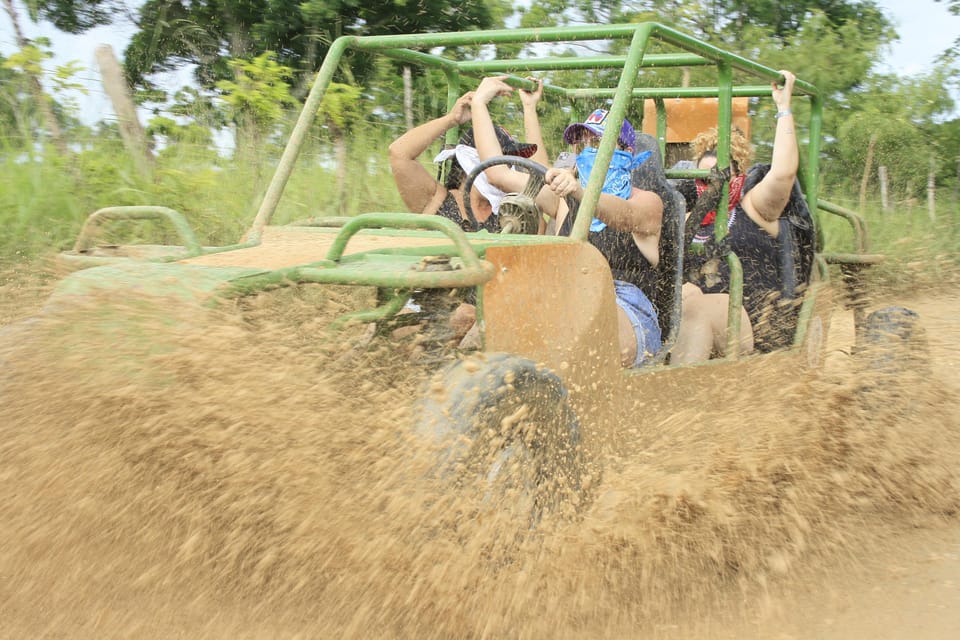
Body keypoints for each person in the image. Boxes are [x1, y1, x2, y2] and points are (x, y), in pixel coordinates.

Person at [470, 76, 665, 367]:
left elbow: (624, 216)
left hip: (624, 304)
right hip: (562, 298)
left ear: (625, 152)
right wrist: (479, 105)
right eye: (581, 144)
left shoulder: (648, 202)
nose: (587, 150)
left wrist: (578, 191)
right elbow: (498, 174)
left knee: (571, 329)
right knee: (487, 323)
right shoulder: (563, 198)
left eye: (597, 142)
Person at [672, 69, 814, 363]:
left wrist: (783, 109)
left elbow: (784, 173)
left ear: (740, 174)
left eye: (721, 176)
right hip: (696, 318)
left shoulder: (753, 207)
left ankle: (680, 395)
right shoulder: (689, 219)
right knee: (686, 298)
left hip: (755, 324)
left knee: (692, 305)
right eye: (704, 177)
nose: (712, 185)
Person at [388, 87, 548, 232]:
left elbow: (541, 182)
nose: (507, 171)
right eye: (501, 162)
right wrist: (451, 119)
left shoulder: (513, 213)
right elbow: (399, 153)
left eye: (511, 163)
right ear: (469, 163)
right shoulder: (437, 202)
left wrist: (529, 108)